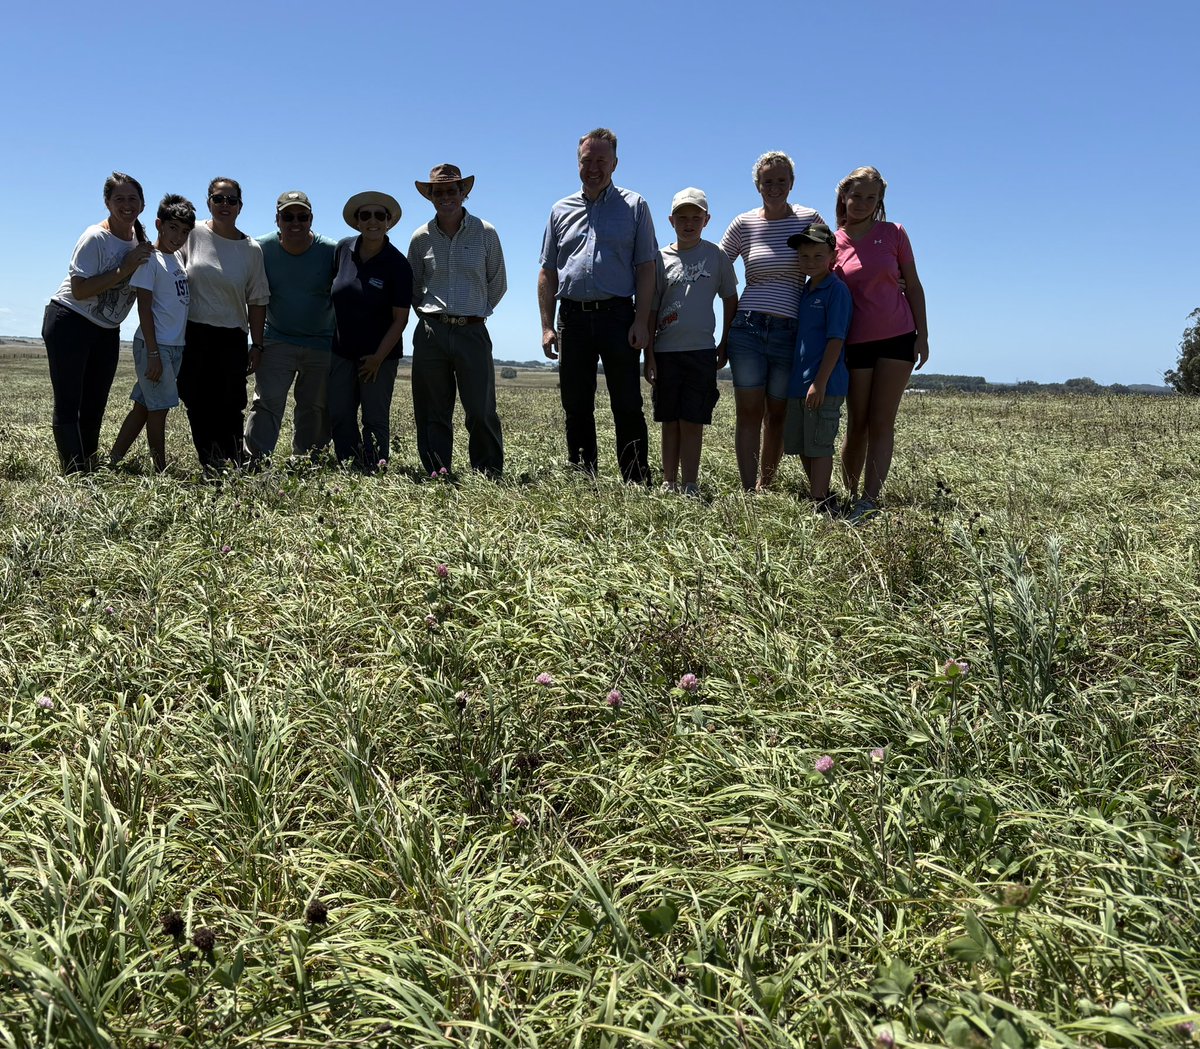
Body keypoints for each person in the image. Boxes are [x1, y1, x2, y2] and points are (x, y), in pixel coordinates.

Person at [539, 128, 656, 483]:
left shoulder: (635, 207)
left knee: (626, 403)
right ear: (578, 163)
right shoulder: (560, 209)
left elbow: (647, 268)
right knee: (575, 403)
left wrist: (641, 321)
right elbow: (547, 270)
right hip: (572, 317)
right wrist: (547, 325)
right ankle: (582, 473)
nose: (593, 168)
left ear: (615, 163)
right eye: (587, 161)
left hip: (618, 315)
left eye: (601, 161)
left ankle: (635, 476)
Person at [719, 152, 826, 491]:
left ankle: (767, 483)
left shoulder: (810, 219)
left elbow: (832, 260)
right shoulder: (744, 223)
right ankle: (749, 488)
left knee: (777, 413)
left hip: (790, 331)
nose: (775, 187)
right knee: (749, 411)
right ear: (757, 185)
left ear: (792, 184)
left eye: (782, 180)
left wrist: (886, 279)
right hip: (747, 328)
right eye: (768, 181)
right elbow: (717, 266)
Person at [833, 166, 929, 523]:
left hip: (898, 336)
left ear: (880, 201)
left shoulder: (894, 233)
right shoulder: (832, 240)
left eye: (871, 197)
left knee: (881, 422)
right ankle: (849, 493)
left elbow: (915, 286)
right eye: (856, 195)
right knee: (856, 422)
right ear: (844, 195)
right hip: (854, 341)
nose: (862, 203)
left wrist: (923, 334)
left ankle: (870, 500)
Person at [42, 172, 153, 473]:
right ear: (107, 203)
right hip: (69, 321)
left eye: (133, 199)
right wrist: (124, 268)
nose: (126, 205)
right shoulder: (95, 237)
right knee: (69, 399)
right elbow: (79, 290)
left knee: (96, 400)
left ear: (142, 204)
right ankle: (74, 472)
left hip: (106, 330)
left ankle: (88, 464)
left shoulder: (140, 241)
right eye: (119, 199)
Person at [407, 164, 507, 478]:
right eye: (439, 192)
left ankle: (487, 471)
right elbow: (413, 286)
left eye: (452, 190)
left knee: (480, 409)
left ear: (464, 193)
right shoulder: (420, 237)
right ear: (431, 196)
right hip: (432, 332)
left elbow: (498, 283)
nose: (446, 197)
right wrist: (429, 316)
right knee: (433, 410)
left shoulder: (486, 232)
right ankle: (437, 470)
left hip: (473, 331)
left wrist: (476, 310)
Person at [644, 188, 738, 497]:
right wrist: (650, 354)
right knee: (669, 419)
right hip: (666, 350)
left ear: (706, 220)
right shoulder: (660, 258)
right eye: (682, 218)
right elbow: (652, 306)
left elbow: (729, 298)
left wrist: (725, 342)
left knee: (693, 419)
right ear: (671, 220)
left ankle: (690, 483)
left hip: (701, 351)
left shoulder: (716, 255)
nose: (689, 223)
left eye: (695, 218)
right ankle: (669, 481)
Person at [176, 177, 269, 471]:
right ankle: (210, 461)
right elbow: (169, 267)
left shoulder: (250, 249)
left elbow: (256, 300)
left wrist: (257, 343)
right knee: (196, 398)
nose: (224, 205)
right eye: (219, 199)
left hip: (232, 334)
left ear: (240, 206)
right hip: (194, 330)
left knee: (230, 401)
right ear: (208, 203)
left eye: (231, 200)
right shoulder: (192, 233)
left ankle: (233, 458)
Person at [244, 190, 338, 465]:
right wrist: (256, 343)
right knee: (267, 402)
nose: (295, 222)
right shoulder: (260, 249)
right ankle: (255, 459)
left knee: (314, 407)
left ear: (311, 219)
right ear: (277, 219)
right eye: (288, 216)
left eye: (302, 216)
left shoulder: (332, 251)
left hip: (321, 342)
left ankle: (306, 461)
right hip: (276, 339)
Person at [109, 194, 197, 473]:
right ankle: (161, 470)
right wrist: (154, 353)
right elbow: (144, 309)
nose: (178, 236)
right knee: (159, 410)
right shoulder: (150, 259)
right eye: (173, 228)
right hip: (155, 346)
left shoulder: (178, 260)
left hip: (174, 346)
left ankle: (112, 461)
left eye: (184, 231)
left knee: (144, 408)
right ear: (159, 224)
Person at [329, 191, 413, 470]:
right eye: (366, 215)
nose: (373, 221)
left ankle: (375, 467)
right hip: (341, 351)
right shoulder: (343, 250)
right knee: (340, 412)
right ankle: (348, 464)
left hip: (380, 356)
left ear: (389, 221)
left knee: (375, 417)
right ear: (357, 221)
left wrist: (378, 358)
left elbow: (400, 319)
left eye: (380, 215)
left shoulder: (398, 264)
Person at [782, 223, 852, 515]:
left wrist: (820, 382)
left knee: (820, 445)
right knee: (802, 444)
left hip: (825, 383)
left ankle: (820, 502)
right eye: (804, 256)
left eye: (818, 256)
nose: (810, 262)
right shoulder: (806, 289)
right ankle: (821, 495)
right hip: (800, 382)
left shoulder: (836, 290)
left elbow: (836, 339)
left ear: (833, 256)